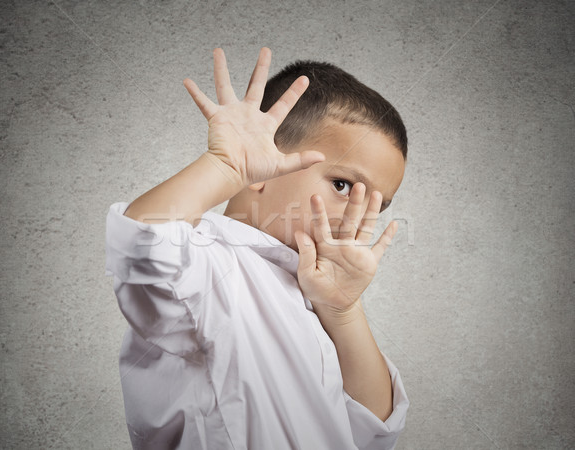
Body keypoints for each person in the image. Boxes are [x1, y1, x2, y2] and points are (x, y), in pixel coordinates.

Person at [105, 47, 409, 449]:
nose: (357, 213)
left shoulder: (313, 293)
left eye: (377, 204)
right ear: (263, 166)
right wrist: (225, 166)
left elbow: (375, 429)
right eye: (342, 185)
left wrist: (343, 311)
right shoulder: (208, 261)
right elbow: (143, 244)